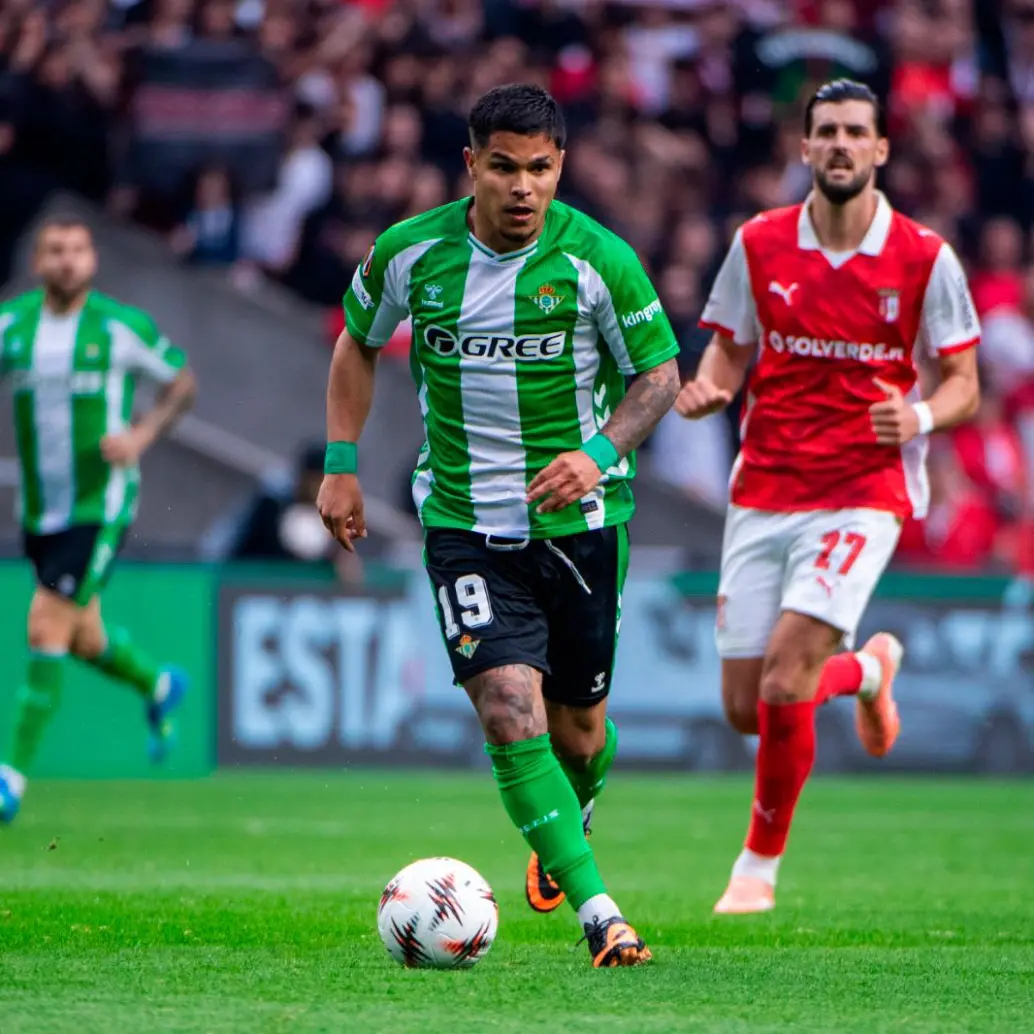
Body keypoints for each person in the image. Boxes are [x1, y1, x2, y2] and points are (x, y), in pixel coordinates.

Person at [317, 83, 680, 967]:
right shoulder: (410, 253)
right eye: (507, 168)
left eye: (542, 170)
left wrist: (597, 451)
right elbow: (358, 339)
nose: (525, 188)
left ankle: (572, 810)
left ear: (561, 168)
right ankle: (602, 913)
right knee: (509, 710)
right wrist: (340, 462)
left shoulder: (597, 260)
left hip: (583, 523)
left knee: (578, 733)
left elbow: (660, 376)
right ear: (472, 164)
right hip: (464, 525)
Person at [675, 79, 981, 914]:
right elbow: (729, 353)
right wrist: (707, 388)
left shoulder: (923, 257)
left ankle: (756, 871)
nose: (841, 145)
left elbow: (964, 385)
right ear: (804, 149)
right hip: (764, 488)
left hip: (861, 492)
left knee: (782, 683)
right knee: (748, 707)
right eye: (826, 133)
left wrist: (916, 414)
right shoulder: (760, 244)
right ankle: (870, 671)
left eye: (856, 133)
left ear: (881, 149)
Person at [0, 216, 197, 824]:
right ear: (37, 261)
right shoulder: (13, 326)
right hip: (41, 509)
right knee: (82, 636)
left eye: (77, 250)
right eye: (55, 251)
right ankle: (159, 685)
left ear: (91, 260)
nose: (66, 261)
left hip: (100, 505)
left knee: (44, 625)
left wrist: (141, 434)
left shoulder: (118, 328)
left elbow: (182, 382)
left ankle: (11, 780)